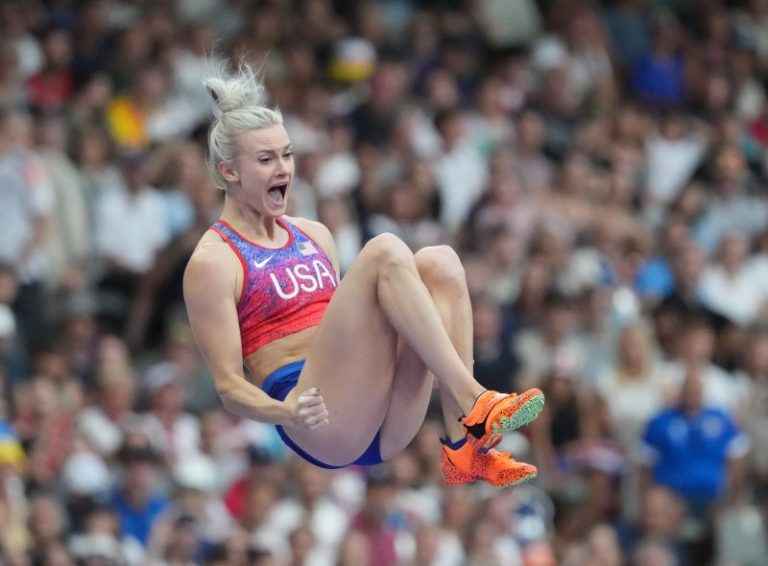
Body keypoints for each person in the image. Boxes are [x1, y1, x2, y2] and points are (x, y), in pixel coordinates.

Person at [183, 61, 545, 487]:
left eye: (287, 154)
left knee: (441, 262)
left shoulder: (314, 233)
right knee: (384, 250)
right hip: (315, 417)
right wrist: (286, 412)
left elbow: (359, 331)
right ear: (228, 171)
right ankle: (474, 401)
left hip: (375, 411)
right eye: (266, 159)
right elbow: (228, 386)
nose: (283, 169)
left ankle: (463, 447)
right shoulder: (214, 260)